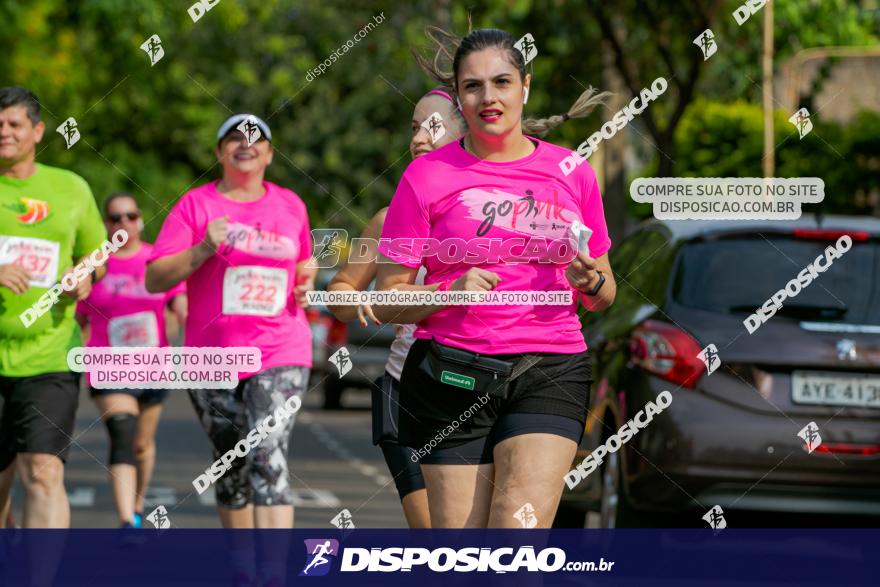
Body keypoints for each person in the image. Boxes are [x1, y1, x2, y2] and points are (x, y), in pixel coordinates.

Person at [374, 28, 617, 529]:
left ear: (525, 86)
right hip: (450, 373)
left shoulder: (572, 171)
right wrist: (448, 291)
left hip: (549, 367)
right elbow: (386, 300)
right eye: (473, 86)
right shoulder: (425, 177)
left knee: (517, 536)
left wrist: (590, 282)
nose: (489, 97)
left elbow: (604, 294)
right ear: (459, 98)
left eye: (502, 82)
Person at [145, 114, 315, 532]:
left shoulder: (291, 204)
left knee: (267, 453)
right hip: (212, 358)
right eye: (234, 138)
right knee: (232, 463)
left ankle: (273, 577)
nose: (246, 144)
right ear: (220, 152)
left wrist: (305, 279)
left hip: (281, 349)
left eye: (257, 139)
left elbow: (303, 262)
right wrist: (203, 249)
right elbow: (154, 278)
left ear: (270, 154)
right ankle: (243, 570)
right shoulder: (195, 205)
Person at [326, 88, 467, 528]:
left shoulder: (491, 214)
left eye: (434, 126)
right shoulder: (390, 218)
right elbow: (342, 287)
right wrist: (352, 300)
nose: (420, 138)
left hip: (478, 382)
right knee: (436, 541)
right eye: (414, 128)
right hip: (405, 387)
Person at [0, 86, 108, 528]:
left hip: (49, 354)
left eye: (13, 124)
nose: (3, 132)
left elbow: (99, 251)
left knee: (43, 473)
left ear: (37, 131)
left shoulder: (70, 188)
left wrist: (85, 275)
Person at [75, 192, 186, 528]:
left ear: (140, 220)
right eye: (115, 217)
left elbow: (179, 303)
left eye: (131, 216)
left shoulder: (158, 259)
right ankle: (126, 521)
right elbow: (79, 319)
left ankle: (137, 508)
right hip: (108, 366)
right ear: (106, 224)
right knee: (123, 433)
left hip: (153, 366)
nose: (124, 223)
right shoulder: (96, 266)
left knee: (141, 444)